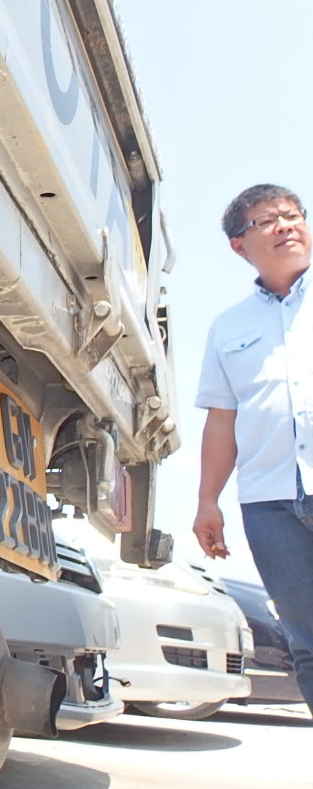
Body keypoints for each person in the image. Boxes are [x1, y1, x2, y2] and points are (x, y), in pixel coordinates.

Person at [194, 183, 313, 710]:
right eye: (267, 220)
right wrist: (207, 500)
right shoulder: (229, 328)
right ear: (240, 244)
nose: (285, 225)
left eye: (293, 215)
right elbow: (223, 419)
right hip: (270, 505)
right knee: (306, 644)